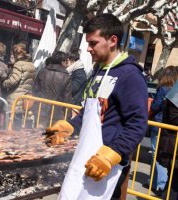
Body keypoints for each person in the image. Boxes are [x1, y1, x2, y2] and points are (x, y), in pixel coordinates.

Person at [48, 14, 148, 199]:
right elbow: (92, 111)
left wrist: (113, 153)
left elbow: (138, 123)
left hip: (107, 165)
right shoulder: (97, 70)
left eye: (93, 43)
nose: (88, 48)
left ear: (112, 41)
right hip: (85, 157)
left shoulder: (130, 75)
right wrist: (71, 126)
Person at [146, 66, 178, 194]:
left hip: (159, 124)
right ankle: (162, 184)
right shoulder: (174, 89)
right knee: (167, 156)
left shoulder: (163, 88)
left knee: (157, 154)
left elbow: (157, 105)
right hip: (167, 128)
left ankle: (159, 184)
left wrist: (152, 104)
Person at [33, 51, 72, 128]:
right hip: (56, 112)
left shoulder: (42, 71)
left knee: (38, 135)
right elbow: (67, 98)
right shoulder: (66, 76)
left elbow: (35, 90)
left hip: (41, 109)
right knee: (52, 137)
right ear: (62, 61)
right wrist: (67, 116)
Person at [2, 43, 36, 129]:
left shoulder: (19, 64)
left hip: (15, 97)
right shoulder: (31, 65)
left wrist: (4, 83)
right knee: (18, 123)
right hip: (24, 97)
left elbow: (14, 80)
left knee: (10, 122)